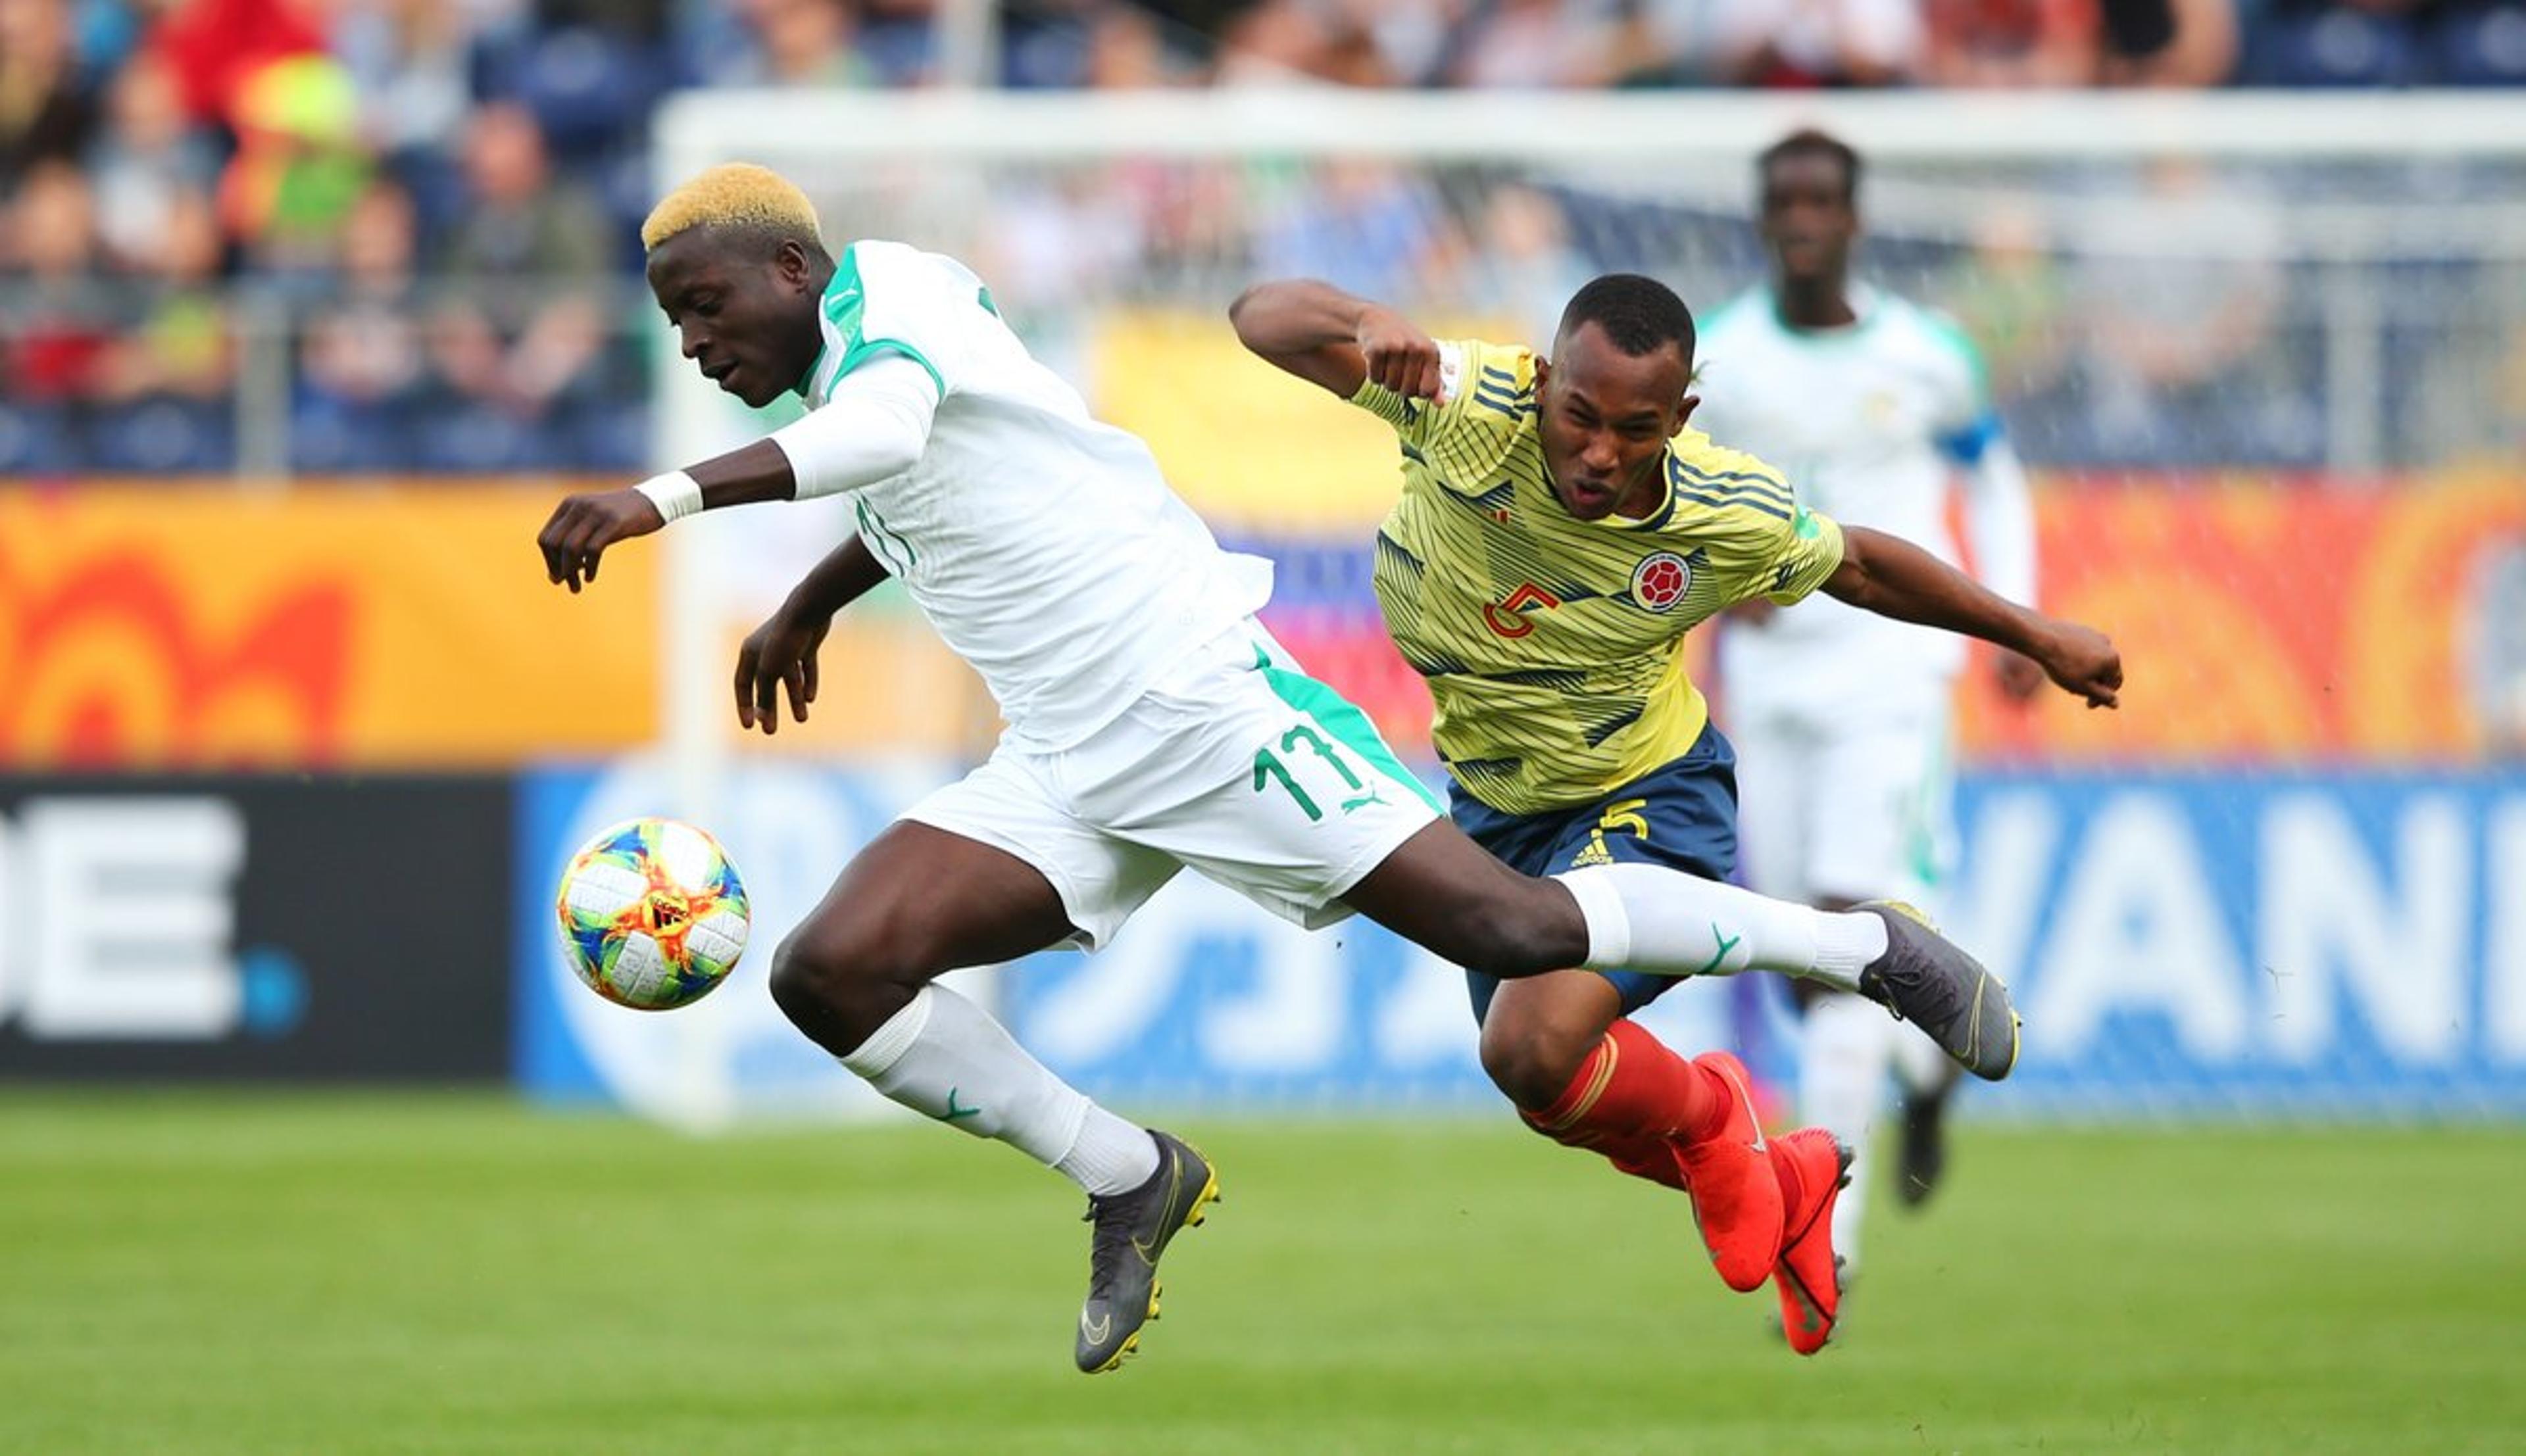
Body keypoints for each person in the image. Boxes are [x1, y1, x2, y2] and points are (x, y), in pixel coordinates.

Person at [534, 163, 2033, 1374]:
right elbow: (944, 472)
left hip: (1202, 701)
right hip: (1067, 755)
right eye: (673, 324)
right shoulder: (875, 346)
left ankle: (1866, 948)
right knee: (829, 973)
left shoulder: (892, 320)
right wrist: (809, 600)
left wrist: (657, 500)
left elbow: (887, 432)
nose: (694, 341)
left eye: (706, 305)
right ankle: (1131, 1176)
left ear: (791, 271)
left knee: (1511, 935)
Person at [1227, 263, 2118, 1349]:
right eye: (1579, 417)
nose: (1599, 452)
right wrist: (1371, 318)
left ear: (1682, 416)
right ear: (1545, 381)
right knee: (1546, 1085)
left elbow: (1868, 569)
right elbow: (1258, 318)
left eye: (1636, 429)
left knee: (1526, 1044)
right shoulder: (1469, 406)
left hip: (1649, 794)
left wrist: (2036, 631)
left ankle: (1856, 952)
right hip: (1501, 811)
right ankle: (1764, 1165)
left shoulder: (1720, 508)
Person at [1696, 130, 2044, 1299]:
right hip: (1776, 683)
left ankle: (1822, 1247)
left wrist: (2013, 616)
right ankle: (1931, 1075)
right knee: (1812, 963)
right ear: (1763, 219)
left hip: (1895, 678)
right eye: (1782, 201)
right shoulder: (1727, 357)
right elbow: (1686, 497)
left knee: (1856, 920)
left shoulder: (1930, 355)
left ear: (1854, 219)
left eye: (1821, 201)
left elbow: (1990, 473)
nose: (1802, 220)